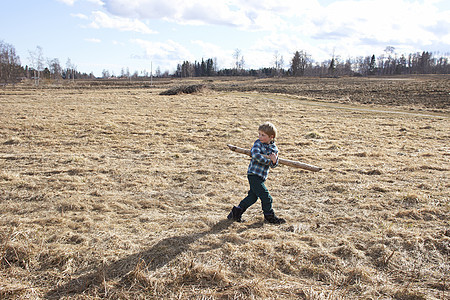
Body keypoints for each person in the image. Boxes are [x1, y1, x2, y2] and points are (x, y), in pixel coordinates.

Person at [227, 122, 286, 224]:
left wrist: (274, 161)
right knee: (266, 197)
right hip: (253, 175)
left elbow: (274, 165)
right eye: (259, 134)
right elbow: (256, 156)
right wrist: (269, 160)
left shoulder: (274, 149)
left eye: (263, 135)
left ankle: (235, 214)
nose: (260, 137)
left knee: (252, 197)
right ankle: (269, 217)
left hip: (262, 176)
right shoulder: (258, 143)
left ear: (271, 137)